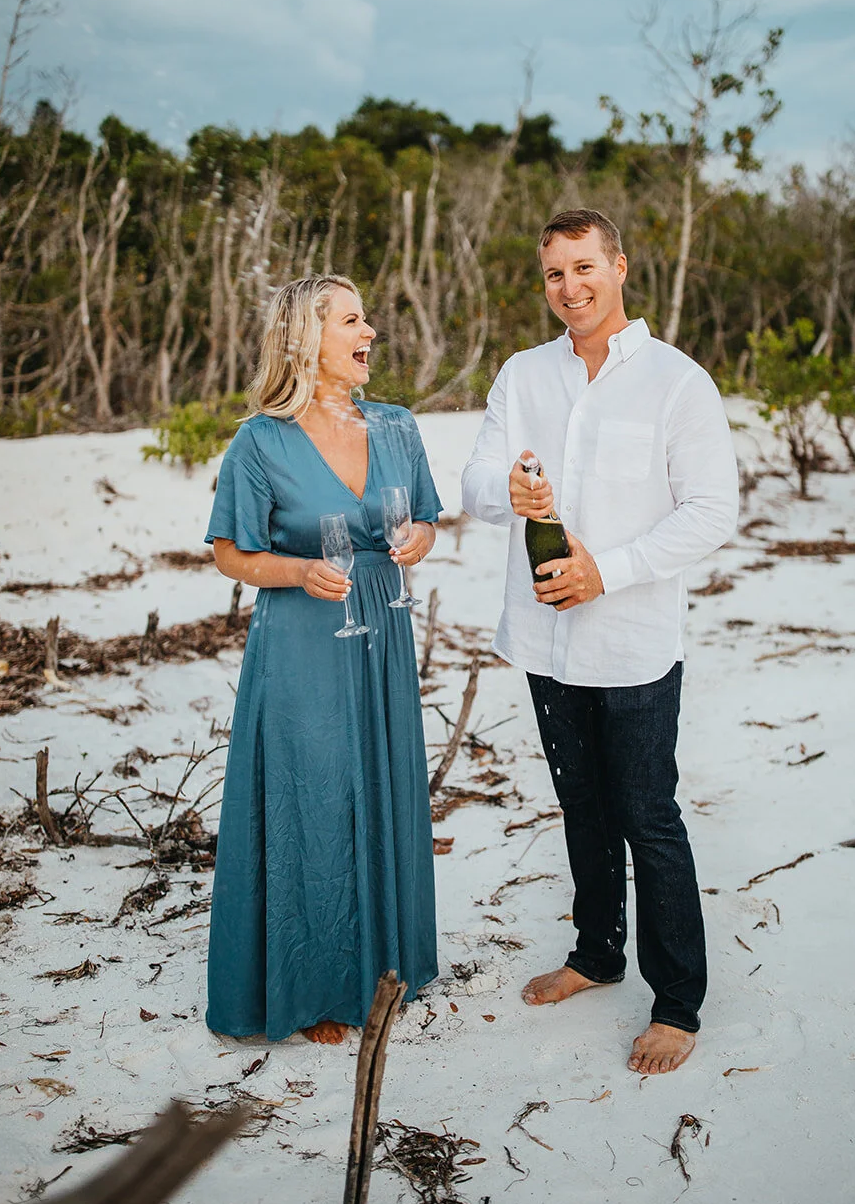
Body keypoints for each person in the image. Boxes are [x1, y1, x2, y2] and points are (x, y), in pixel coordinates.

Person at [461, 209, 738, 1074]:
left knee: (647, 816)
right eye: (553, 274)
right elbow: (473, 488)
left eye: (584, 267)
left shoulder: (676, 382)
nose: (569, 288)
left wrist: (605, 570)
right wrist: (506, 488)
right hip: (545, 640)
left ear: (618, 266)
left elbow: (711, 513)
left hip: (631, 639)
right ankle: (595, 955)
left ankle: (679, 1003)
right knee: (581, 804)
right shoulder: (522, 374)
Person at [205, 274, 442, 1043]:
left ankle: (382, 965)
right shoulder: (260, 440)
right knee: (311, 795)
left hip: (383, 627)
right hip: (302, 637)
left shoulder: (398, 426)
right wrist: (298, 572)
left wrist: (417, 543)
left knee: (379, 781)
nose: (368, 330)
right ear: (306, 338)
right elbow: (229, 553)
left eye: (365, 317)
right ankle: (309, 985)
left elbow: (428, 522)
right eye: (350, 319)